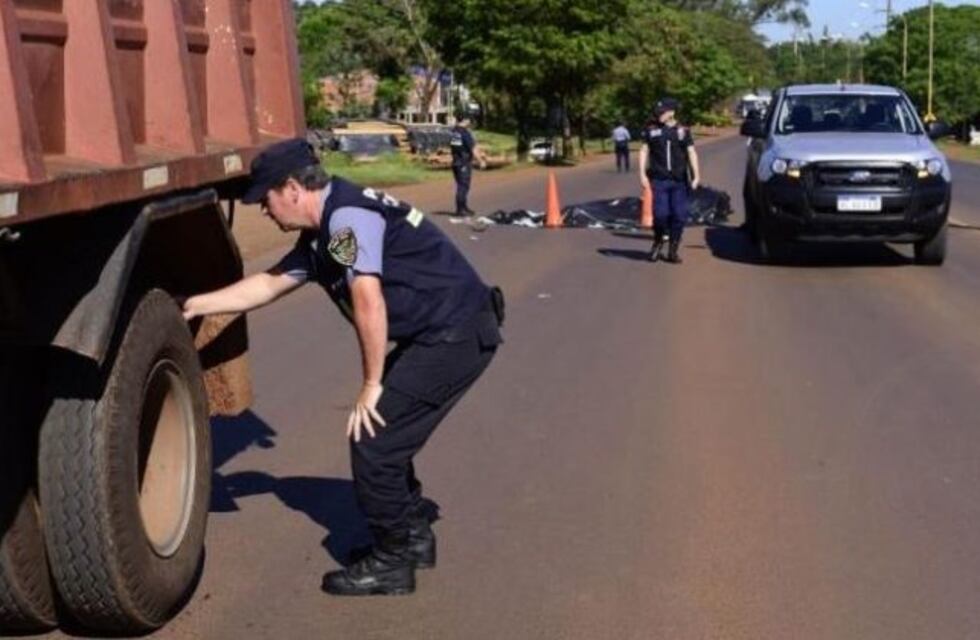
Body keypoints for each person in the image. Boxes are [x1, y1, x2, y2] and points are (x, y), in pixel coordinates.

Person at [182, 139, 503, 596]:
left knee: (374, 440)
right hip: (444, 331)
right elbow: (269, 285)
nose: (264, 212)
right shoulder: (321, 232)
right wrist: (198, 305)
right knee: (384, 436)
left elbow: (367, 299)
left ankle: (392, 561)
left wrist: (371, 384)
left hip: (457, 334)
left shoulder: (345, 221)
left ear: (291, 188)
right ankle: (412, 539)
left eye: (265, 199)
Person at [638, 98, 701, 264]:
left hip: (679, 181)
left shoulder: (683, 130)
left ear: (672, 112)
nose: (659, 115)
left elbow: (691, 152)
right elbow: (644, 151)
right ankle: (658, 241)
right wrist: (642, 175)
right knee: (660, 215)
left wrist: (696, 175)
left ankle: (673, 249)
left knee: (679, 216)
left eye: (663, 112)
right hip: (659, 180)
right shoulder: (651, 130)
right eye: (658, 113)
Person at [449, 117, 487, 216]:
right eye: (469, 119)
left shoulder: (455, 132)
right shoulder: (464, 133)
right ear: (465, 120)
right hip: (463, 163)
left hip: (456, 162)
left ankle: (464, 207)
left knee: (461, 186)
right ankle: (460, 210)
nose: (470, 122)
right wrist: (481, 161)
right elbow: (473, 149)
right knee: (463, 187)